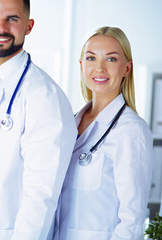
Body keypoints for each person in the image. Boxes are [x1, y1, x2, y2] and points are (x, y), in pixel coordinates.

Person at [0, 0, 77, 239]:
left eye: (12, 19)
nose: (1, 28)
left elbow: (41, 194)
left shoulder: (44, 95)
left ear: (28, 26)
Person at [54, 26, 154, 239]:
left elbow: (131, 221)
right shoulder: (68, 124)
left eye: (111, 59)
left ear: (127, 68)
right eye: (91, 58)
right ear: (81, 65)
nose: (99, 68)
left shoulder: (131, 130)